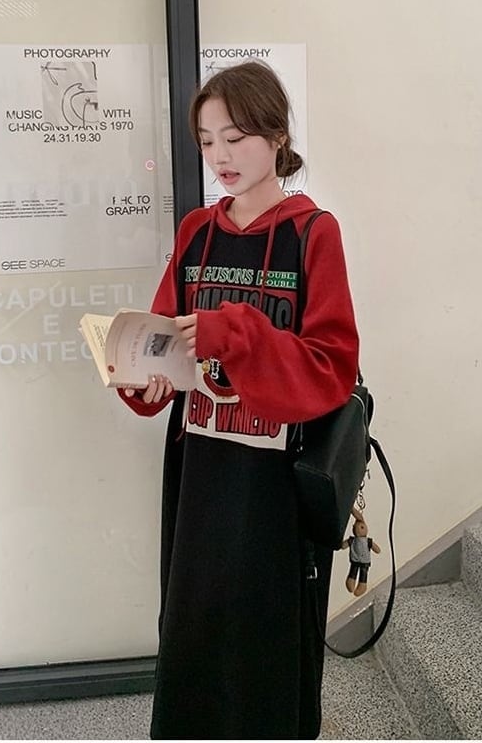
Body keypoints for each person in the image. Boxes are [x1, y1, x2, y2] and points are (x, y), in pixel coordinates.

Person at [119, 60, 359, 740]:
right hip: (201, 467)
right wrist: (145, 378)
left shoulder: (313, 232)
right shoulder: (197, 231)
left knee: (266, 629)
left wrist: (237, 332)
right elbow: (166, 335)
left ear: (277, 135)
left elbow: (332, 366)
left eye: (235, 137)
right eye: (207, 141)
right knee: (194, 620)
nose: (219, 156)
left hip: (275, 478)